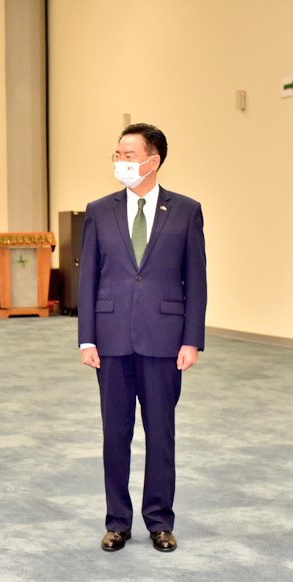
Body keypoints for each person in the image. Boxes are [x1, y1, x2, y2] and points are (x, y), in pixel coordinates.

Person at [78, 123, 207, 553]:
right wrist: (86, 338)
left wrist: (191, 340)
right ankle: (117, 521)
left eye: (128, 155)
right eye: (117, 155)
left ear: (153, 161)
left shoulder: (186, 211)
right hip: (111, 339)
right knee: (115, 435)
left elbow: (196, 279)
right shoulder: (99, 210)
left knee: (160, 435)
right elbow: (88, 277)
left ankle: (160, 521)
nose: (120, 162)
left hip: (164, 340)